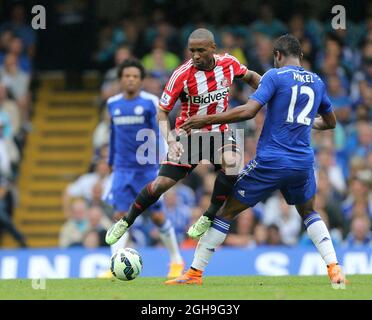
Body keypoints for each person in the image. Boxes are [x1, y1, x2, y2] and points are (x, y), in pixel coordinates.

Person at [166, 34, 347, 288]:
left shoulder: (274, 76)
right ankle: (334, 268)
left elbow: (249, 111)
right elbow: (330, 122)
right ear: (301, 56)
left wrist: (206, 120)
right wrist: (305, 122)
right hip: (302, 163)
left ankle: (194, 273)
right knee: (309, 213)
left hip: (271, 162)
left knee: (225, 211)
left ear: (277, 56)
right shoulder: (317, 81)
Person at [105, 28, 260, 248]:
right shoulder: (182, 74)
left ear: (212, 49)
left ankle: (208, 215)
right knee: (161, 185)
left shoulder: (228, 63)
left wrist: (269, 89)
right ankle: (126, 220)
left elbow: (252, 77)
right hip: (190, 137)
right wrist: (170, 140)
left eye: (200, 50)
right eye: (192, 51)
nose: (195, 55)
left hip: (219, 132)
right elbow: (162, 111)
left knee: (234, 162)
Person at [103, 58, 184, 278]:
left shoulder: (150, 102)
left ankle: (176, 259)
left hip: (146, 169)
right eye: (127, 76)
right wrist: (110, 160)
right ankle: (115, 265)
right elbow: (113, 134)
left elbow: (159, 131)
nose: (131, 79)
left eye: (135, 76)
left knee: (157, 216)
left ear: (141, 80)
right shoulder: (113, 104)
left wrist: (164, 156)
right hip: (121, 169)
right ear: (121, 79)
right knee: (119, 216)